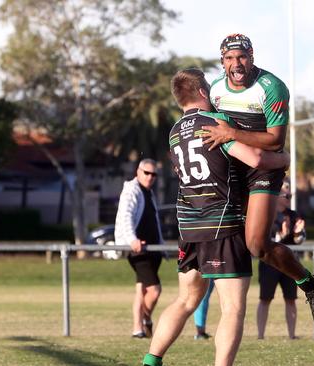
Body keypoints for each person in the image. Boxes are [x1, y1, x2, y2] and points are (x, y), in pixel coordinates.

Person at [142, 68, 290, 366]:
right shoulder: (214, 124)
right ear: (201, 92)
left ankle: (150, 360)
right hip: (222, 222)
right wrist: (284, 159)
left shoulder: (173, 133)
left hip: (189, 226)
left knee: (185, 300)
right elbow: (255, 158)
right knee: (233, 307)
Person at [202, 33, 314, 328]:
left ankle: (310, 284)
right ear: (222, 61)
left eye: (242, 57)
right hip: (232, 169)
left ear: (252, 56)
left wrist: (232, 134)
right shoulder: (215, 90)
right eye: (230, 58)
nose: (237, 64)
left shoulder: (271, 87)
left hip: (263, 168)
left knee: (257, 244)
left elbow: (275, 141)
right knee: (227, 237)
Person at [115, 158, 165, 338]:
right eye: (147, 173)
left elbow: (154, 222)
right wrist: (132, 240)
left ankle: (137, 329)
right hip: (138, 250)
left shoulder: (149, 193)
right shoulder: (131, 191)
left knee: (141, 290)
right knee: (154, 290)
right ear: (138, 171)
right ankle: (146, 320)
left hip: (153, 250)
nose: (150, 177)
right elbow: (125, 217)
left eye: (154, 174)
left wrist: (161, 246)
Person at [256, 181, 306, 340]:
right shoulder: (266, 214)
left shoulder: (294, 215)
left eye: (290, 196)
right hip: (269, 263)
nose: (289, 198)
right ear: (277, 196)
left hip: (289, 263)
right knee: (265, 299)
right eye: (286, 195)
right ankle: (260, 335)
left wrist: (298, 234)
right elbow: (263, 239)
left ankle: (292, 335)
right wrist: (281, 236)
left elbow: (299, 241)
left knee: (291, 299)